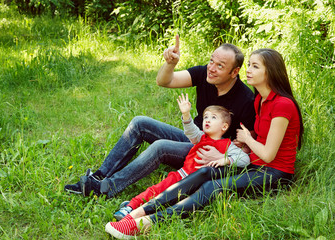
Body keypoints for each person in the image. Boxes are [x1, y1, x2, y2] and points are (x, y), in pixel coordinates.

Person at [104, 48, 304, 239]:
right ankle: (137, 211)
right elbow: (257, 139)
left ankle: (145, 223)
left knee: (213, 187)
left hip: (274, 174)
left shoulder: (282, 104)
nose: (248, 70)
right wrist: (233, 151)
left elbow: (268, 155)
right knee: (203, 172)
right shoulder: (260, 99)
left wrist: (247, 140)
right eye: (249, 65)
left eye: (255, 67)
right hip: (253, 164)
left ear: (271, 72)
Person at [64, 35, 255, 198]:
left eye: (220, 66)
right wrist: (170, 64)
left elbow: (246, 147)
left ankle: (107, 188)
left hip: (208, 152)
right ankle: (99, 177)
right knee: (139, 123)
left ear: (234, 72)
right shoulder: (204, 74)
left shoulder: (246, 99)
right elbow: (164, 80)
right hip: (194, 137)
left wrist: (223, 156)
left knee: (160, 147)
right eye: (211, 60)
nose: (211, 68)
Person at [113, 93, 250, 220]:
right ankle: (131, 206)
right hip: (181, 175)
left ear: (224, 126)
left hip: (198, 183)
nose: (207, 120)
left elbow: (245, 159)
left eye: (213, 118)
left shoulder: (227, 145)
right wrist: (186, 114)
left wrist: (224, 159)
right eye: (206, 117)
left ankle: (136, 209)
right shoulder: (200, 137)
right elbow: (190, 131)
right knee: (158, 189)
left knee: (171, 201)